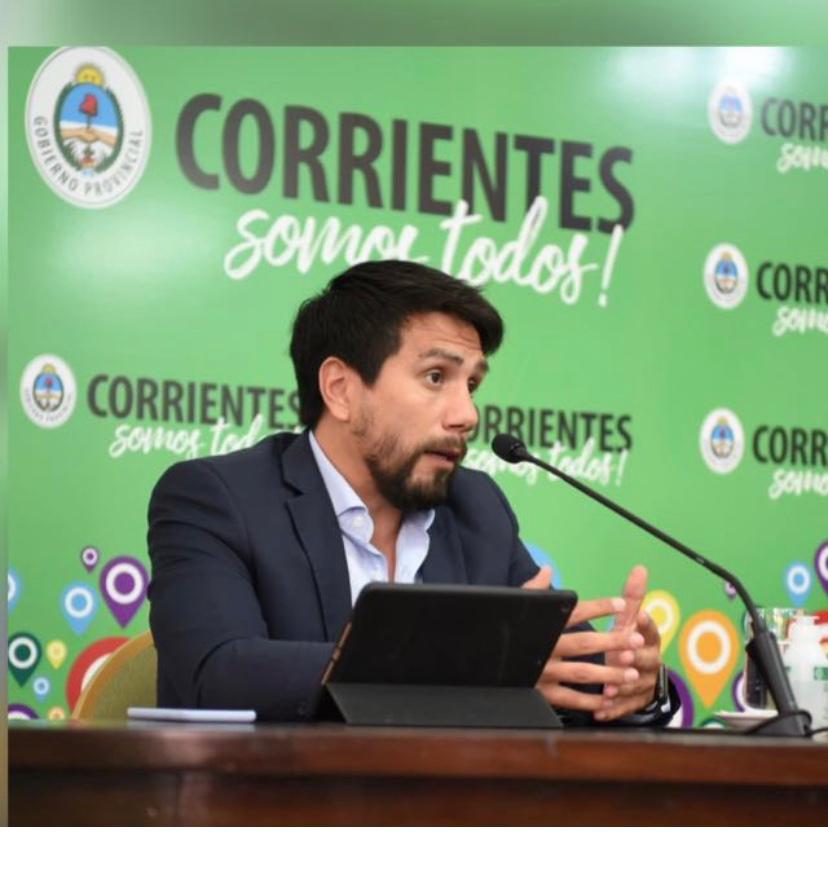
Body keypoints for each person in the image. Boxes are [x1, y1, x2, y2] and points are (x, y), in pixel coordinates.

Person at [148, 260, 675, 724]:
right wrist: (472, 669)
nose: (467, 415)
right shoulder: (217, 499)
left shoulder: (476, 509)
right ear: (340, 389)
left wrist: (634, 680)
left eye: (472, 385)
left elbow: (551, 670)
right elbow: (219, 674)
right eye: (436, 377)